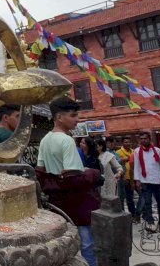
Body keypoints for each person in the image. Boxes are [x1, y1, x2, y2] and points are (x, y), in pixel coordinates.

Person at [36, 97, 100, 266]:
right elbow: (74, 179)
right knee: (87, 246)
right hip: (77, 203)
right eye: (73, 115)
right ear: (59, 117)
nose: (77, 119)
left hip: (58, 203)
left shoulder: (45, 140)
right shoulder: (66, 140)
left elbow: (41, 172)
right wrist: (94, 173)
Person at [133, 131, 160, 232]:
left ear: (150, 139)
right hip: (145, 181)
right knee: (147, 203)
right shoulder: (137, 151)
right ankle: (150, 224)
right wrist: (137, 180)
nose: (143, 140)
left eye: (145, 138)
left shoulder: (157, 150)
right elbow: (136, 167)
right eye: (141, 139)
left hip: (157, 180)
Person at [116, 136, 137, 216]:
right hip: (126, 178)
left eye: (128, 142)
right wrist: (123, 177)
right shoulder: (118, 152)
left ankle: (138, 212)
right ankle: (132, 214)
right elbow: (118, 165)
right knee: (129, 198)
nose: (127, 143)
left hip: (135, 177)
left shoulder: (134, 151)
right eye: (125, 142)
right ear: (122, 143)